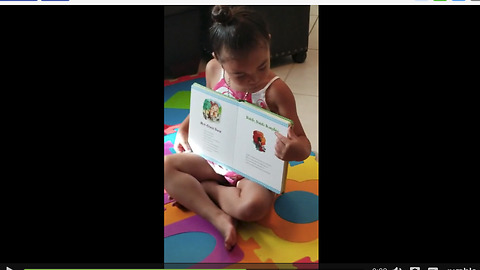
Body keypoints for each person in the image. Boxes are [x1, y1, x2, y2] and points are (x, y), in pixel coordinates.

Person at [164, 5, 312, 251]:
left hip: (254, 173)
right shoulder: (213, 70)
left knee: (252, 208)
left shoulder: (276, 91)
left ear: (268, 43)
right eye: (240, 74)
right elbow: (207, 104)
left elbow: (304, 145)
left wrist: (293, 149)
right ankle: (218, 217)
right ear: (218, 59)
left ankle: (207, 190)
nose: (254, 78)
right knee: (167, 167)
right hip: (215, 158)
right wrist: (185, 127)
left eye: (262, 66)